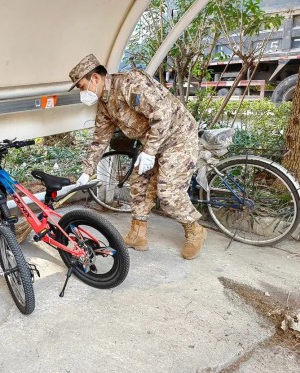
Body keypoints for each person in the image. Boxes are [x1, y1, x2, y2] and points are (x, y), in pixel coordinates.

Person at [70, 54, 206, 260]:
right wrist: (86, 171)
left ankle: (195, 230)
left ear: (95, 79)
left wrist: (150, 151)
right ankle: (137, 234)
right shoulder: (105, 105)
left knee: (168, 192)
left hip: (178, 138)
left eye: (81, 86)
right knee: (139, 184)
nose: (82, 93)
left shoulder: (130, 84)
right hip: (153, 143)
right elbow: (100, 140)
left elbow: (163, 113)